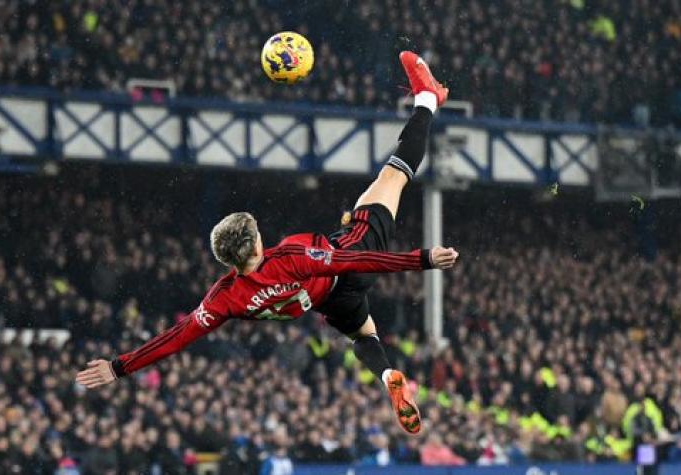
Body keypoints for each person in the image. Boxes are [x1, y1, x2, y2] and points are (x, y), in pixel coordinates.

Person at [76, 51, 458, 435]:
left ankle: (387, 373)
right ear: (257, 244)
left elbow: (175, 338)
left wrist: (118, 367)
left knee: (364, 334)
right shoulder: (290, 255)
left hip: (328, 301)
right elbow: (350, 262)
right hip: (349, 261)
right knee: (393, 176)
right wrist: (423, 259)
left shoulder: (224, 298)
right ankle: (427, 98)